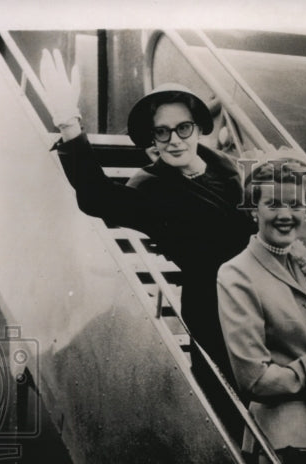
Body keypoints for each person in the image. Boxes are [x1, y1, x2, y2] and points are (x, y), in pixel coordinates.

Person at [38, 49, 255, 381]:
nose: (174, 140)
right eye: (162, 132)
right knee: (229, 397)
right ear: (153, 138)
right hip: (212, 306)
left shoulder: (226, 169)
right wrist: (69, 122)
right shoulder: (151, 188)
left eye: (183, 128)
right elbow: (98, 197)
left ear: (197, 129)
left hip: (256, 294)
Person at [217, 155, 306, 464]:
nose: (285, 215)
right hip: (284, 440)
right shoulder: (236, 274)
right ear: (253, 209)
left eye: (295, 205)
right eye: (273, 204)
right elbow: (255, 379)